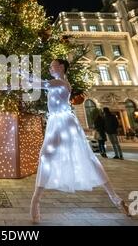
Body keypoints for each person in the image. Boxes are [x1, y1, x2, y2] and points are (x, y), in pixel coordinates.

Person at [29, 59, 131, 223]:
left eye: (52, 64)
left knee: (51, 157)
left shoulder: (61, 82)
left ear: (62, 67)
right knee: (80, 158)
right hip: (58, 122)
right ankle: (116, 199)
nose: (49, 66)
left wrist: (19, 73)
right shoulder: (59, 82)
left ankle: (35, 201)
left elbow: (41, 84)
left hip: (63, 123)